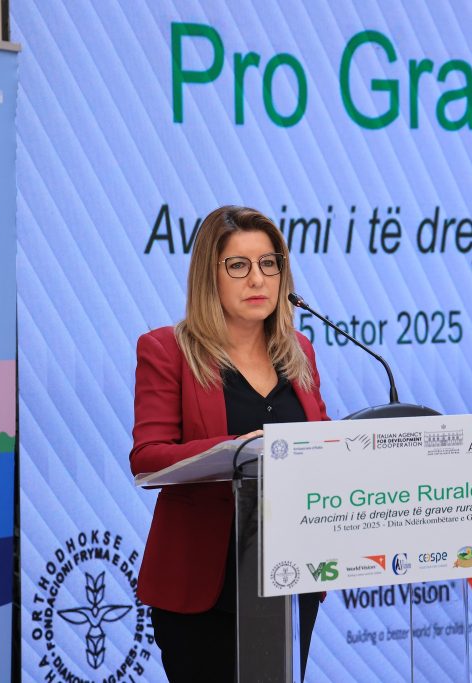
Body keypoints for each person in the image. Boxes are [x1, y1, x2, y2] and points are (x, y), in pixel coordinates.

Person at [130, 206, 329, 681]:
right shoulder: (167, 350)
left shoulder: (299, 351)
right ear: (209, 276)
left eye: (268, 263)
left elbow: (321, 441)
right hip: (205, 587)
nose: (257, 279)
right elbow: (147, 458)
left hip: (289, 575)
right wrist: (238, 450)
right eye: (238, 265)